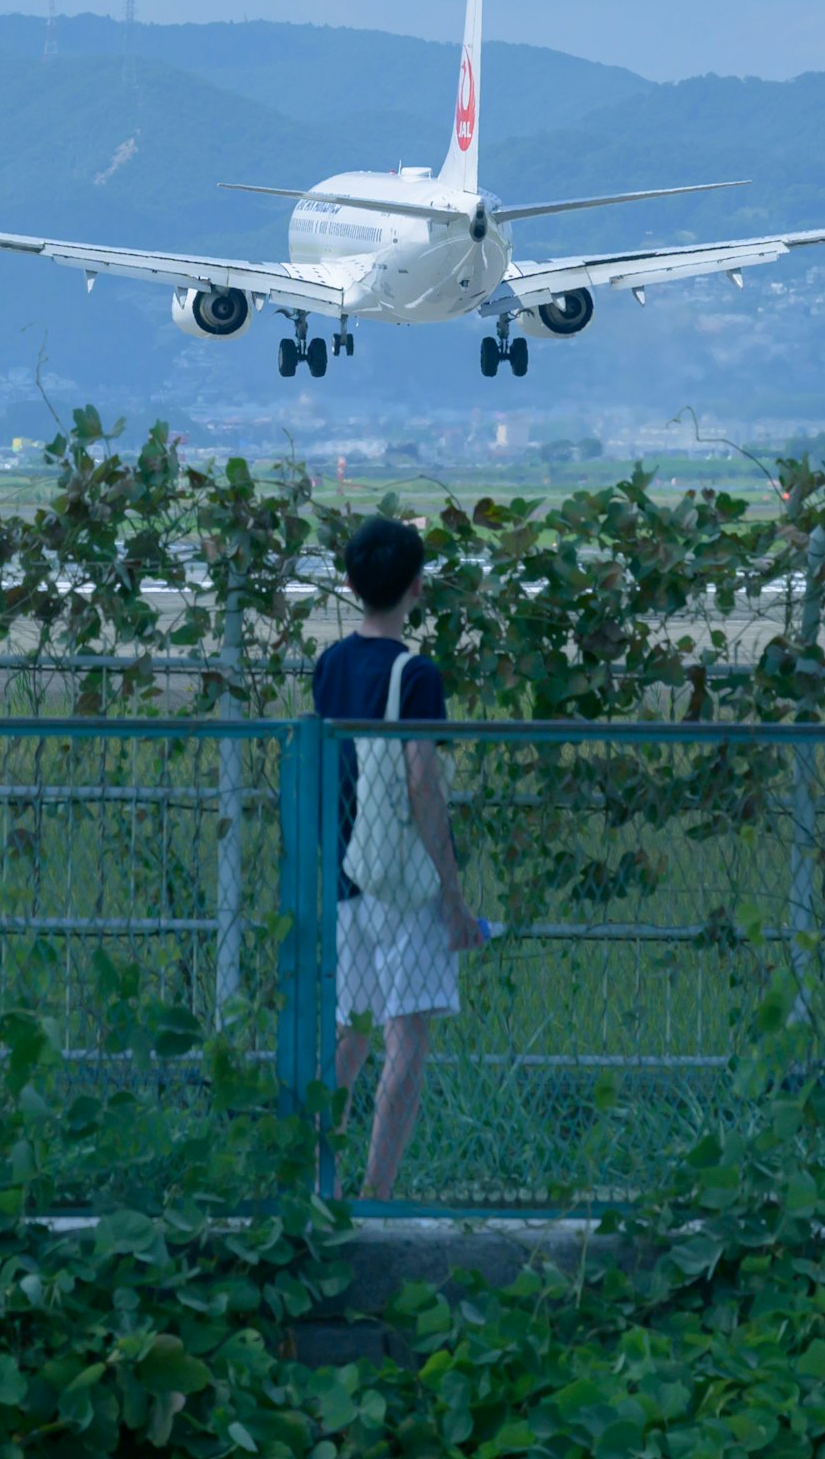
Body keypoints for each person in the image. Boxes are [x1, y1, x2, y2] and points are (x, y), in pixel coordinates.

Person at [315, 513, 487, 1198]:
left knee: (348, 1031)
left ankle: (319, 1182)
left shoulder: (328, 664)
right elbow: (422, 781)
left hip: (347, 875)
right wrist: (454, 894)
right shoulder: (416, 675)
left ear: (352, 583)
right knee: (405, 1039)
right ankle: (376, 1198)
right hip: (404, 881)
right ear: (418, 587)